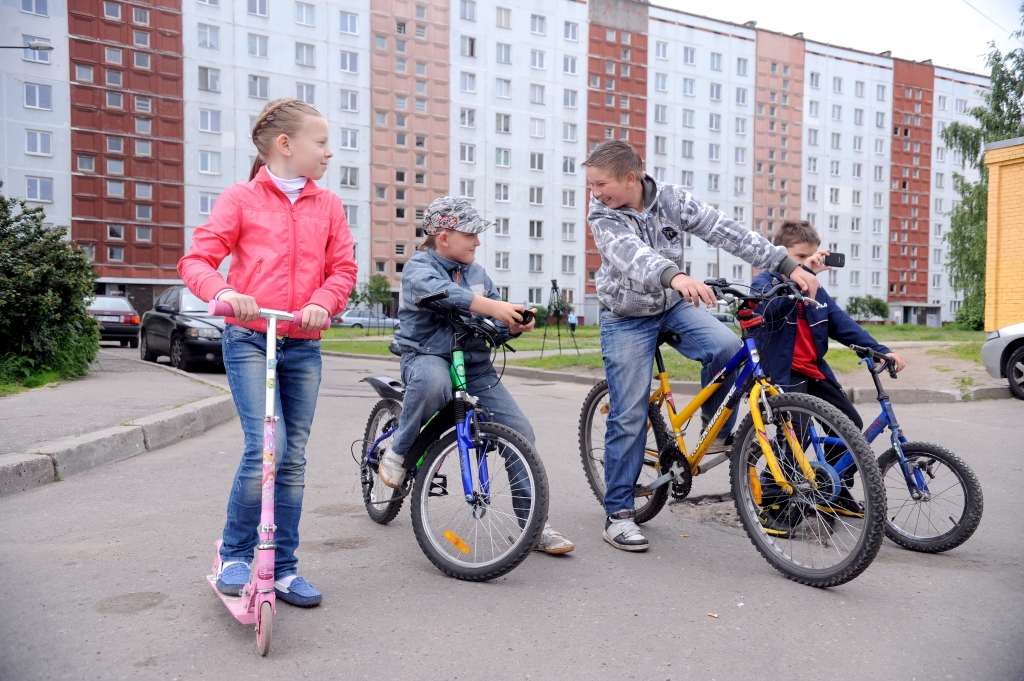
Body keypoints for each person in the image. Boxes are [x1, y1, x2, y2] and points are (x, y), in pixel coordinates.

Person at [583, 140, 819, 552]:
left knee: (729, 348)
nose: (595, 192)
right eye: (592, 185)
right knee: (629, 413)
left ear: (630, 178)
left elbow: (725, 230)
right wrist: (674, 276)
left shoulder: (672, 199)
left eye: (601, 184)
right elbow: (630, 255)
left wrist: (786, 264)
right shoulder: (603, 213)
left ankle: (720, 430)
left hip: (672, 307)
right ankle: (618, 514)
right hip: (625, 315)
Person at [178, 98, 358, 607]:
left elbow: (342, 269)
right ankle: (235, 553)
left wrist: (324, 302)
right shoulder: (241, 198)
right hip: (251, 337)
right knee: (264, 450)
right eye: (320, 142)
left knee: (293, 458)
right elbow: (198, 258)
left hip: (302, 343)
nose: (329, 152)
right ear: (286, 145)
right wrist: (224, 293)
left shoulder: (328, 205)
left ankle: (281, 566)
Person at [376, 196, 575, 554]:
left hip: (475, 367)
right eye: (470, 234)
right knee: (434, 383)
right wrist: (496, 307)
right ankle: (399, 450)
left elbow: (492, 322)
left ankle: (533, 525)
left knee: (521, 433)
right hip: (427, 357)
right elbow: (447, 296)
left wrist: (513, 325)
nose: (477, 242)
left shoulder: (479, 274)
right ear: (444, 236)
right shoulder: (420, 266)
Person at [750, 220, 905, 527]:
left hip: (814, 371)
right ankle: (774, 506)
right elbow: (764, 313)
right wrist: (798, 280)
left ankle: (830, 490)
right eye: (799, 256)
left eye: (812, 255)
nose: (808, 262)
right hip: (783, 373)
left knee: (849, 425)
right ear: (780, 255)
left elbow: (842, 324)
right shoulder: (764, 283)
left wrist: (879, 349)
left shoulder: (818, 291)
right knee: (792, 436)